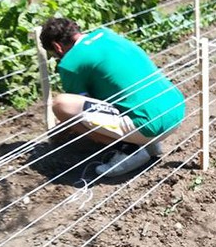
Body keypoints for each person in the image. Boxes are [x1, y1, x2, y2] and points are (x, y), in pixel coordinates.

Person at [39, 17, 186, 178]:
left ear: (57, 46)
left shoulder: (70, 63)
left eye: (54, 55)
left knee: (61, 104)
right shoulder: (107, 34)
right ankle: (149, 144)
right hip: (176, 110)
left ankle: (129, 149)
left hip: (148, 126)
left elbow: (82, 110)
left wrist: (58, 133)